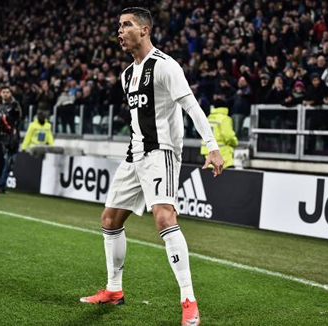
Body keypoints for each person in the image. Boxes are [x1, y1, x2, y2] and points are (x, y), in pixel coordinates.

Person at [79, 7, 224, 326]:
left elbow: (191, 107)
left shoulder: (165, 66)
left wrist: (211, 147)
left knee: (163, 216)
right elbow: (135, 120)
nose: (120, 31)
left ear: (144, 30)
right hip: (135, 154)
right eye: (119, 25)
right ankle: (114, 289)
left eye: (126, 25)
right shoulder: (127, 74)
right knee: (110, 218)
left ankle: (188, 299)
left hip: (162, 152)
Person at [201, 93, 238, 168]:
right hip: (222, 156)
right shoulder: (224, 118)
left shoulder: (208, 118)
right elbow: (229, 136)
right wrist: (235, 143)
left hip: (208, 156)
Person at [0, 86, 22, 193]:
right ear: (1, 94)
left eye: (7, 92)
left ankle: (2, 186)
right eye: (4, 92)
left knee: (10, 164)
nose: (6, 94)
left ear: (11, 94)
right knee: (4, 161)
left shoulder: (15, 105)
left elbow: (19, 118)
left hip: (13, 138)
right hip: (2, 138)